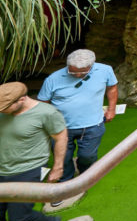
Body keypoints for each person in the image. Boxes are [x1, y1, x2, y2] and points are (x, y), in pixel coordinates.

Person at [38, 49, 117, 202]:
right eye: (73, 72)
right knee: (63, 158)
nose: (77, 75)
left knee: (88, 156)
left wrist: (112, 109)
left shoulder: (105, 70)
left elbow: (112, 87)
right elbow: (43, 103)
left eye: (82, 72)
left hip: (93, 124)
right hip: (61, 129)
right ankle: (65, 183)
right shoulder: (53, 79)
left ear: (92, 66)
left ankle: (85, 176)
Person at [0, 82, 66, 221]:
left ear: (21, 99)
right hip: (1, 168)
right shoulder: (3, 110)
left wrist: (58, 168)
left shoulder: (46, 113)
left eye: (5, 108)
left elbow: (60, 137)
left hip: (27, 169)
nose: (2, 111)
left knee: (19, 216)